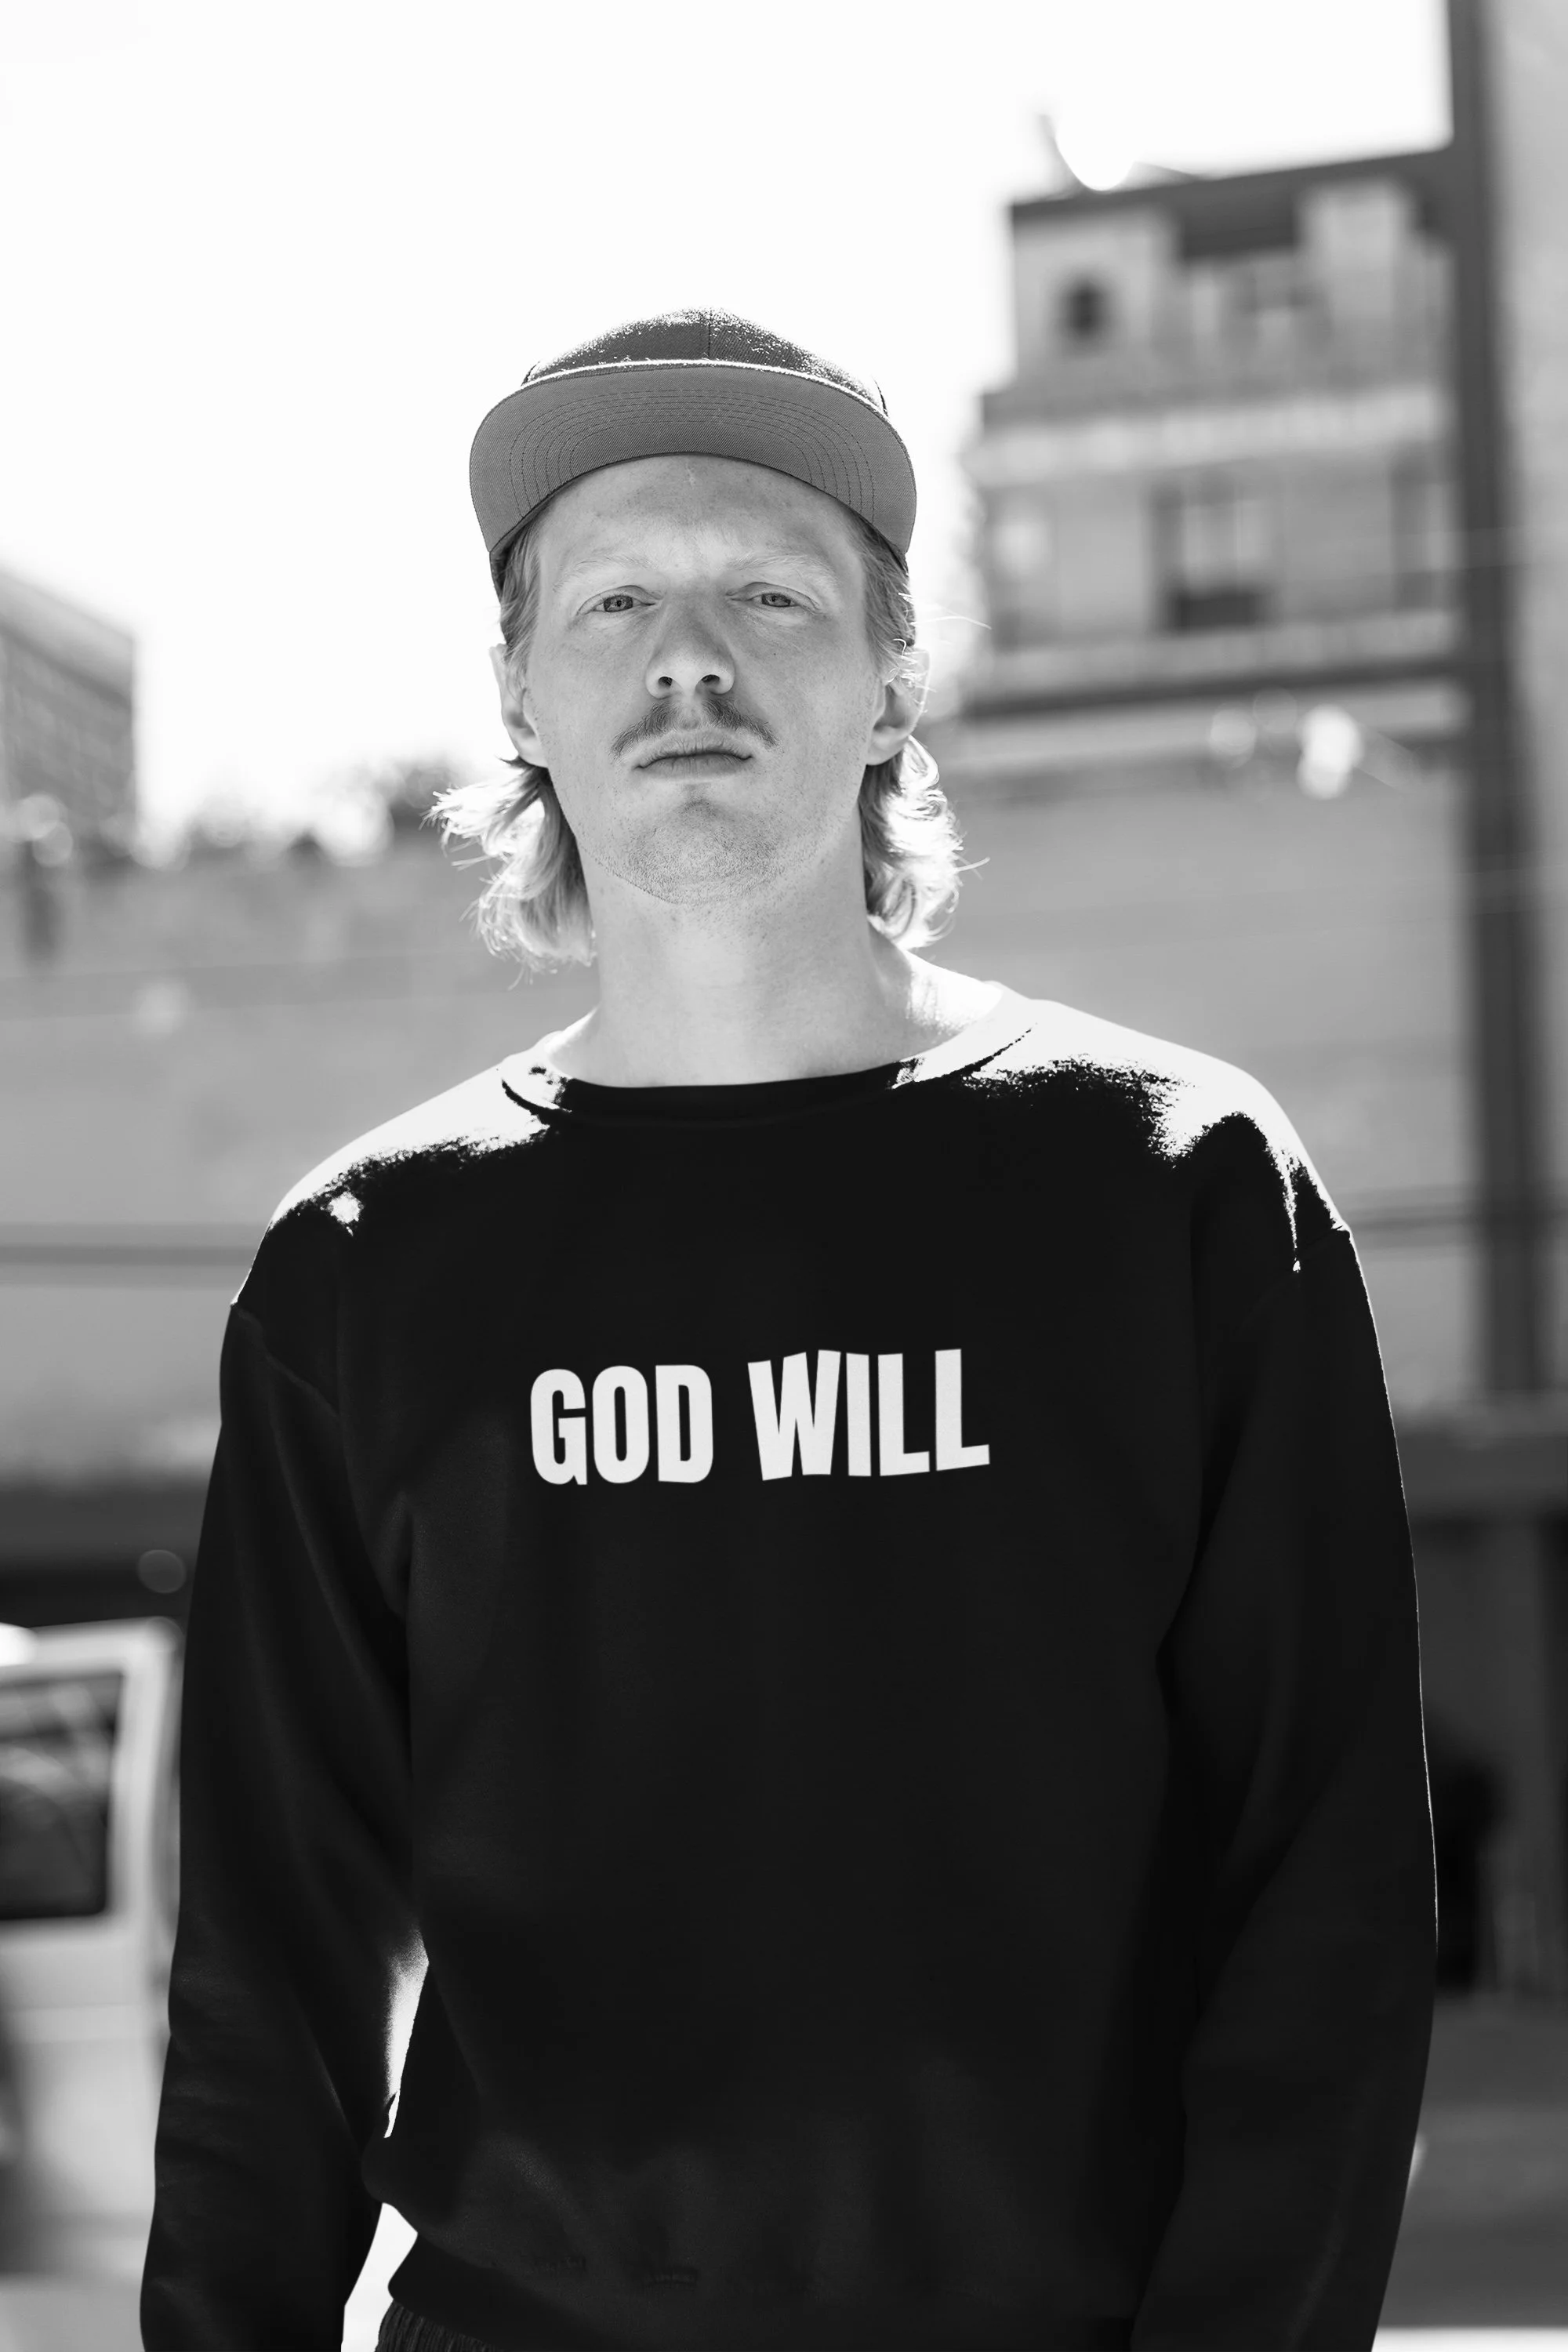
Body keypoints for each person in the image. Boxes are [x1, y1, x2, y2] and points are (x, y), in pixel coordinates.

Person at [140, 308, 1436, 2352]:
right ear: (519, 690)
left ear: (891, 676)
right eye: (618, 602)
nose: (688, 661)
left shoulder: (1175, 1186)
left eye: (769, 593)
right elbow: (269, 1970)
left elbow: (1327, 1894)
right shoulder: (368, 1264)